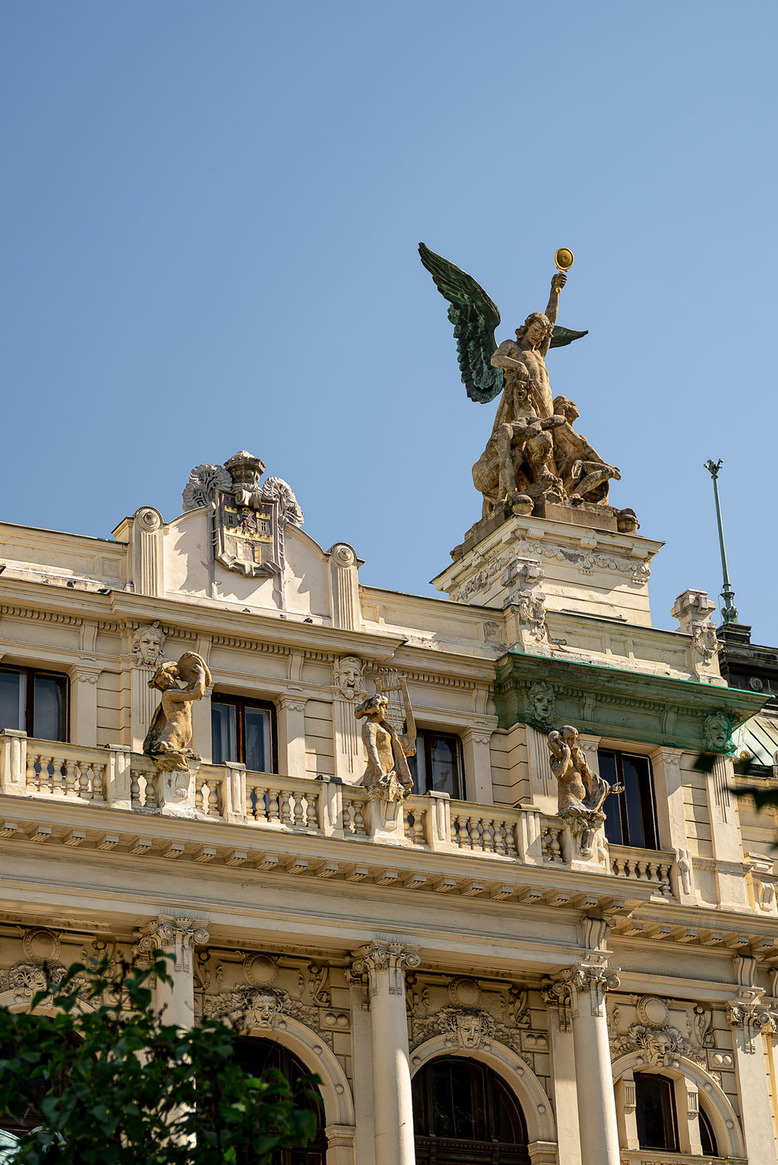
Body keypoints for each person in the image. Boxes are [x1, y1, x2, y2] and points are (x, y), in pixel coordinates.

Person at [143, 652, 211, 762]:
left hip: (183, 735)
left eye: (165, 678)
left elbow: (204, 685)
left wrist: (198, 668)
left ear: (172, 677)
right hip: (172, 734)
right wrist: (201, 673)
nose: (164, 684)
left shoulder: (183, 693)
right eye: (160, 683)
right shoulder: (168, 695)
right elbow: (197, 694)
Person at [354, 693, 415, 801]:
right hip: (378, 773)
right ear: (375, 708)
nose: (385, 711)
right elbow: (371, 748)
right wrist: (379, 769)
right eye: (383, 707)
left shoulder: (385, 728)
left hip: (390, 772)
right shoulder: (370, 726)